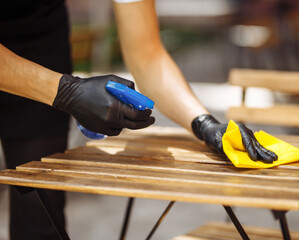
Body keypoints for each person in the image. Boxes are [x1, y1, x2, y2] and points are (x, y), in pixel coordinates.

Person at [0, 0, 276, 239]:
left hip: (37, 35)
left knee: (40, 216)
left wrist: (203, 123)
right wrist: (67, 92)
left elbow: (147, 54)